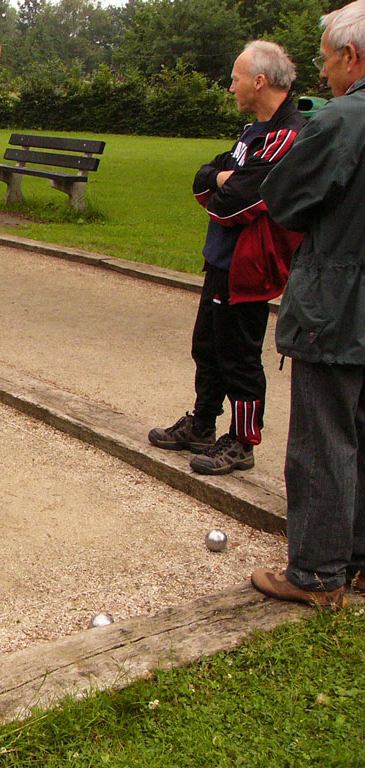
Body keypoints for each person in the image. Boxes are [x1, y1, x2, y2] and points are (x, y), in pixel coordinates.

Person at [147, 41, 305, 475]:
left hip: (248, 267)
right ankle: (201, 424)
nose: (230, 86)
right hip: (220, 259)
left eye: (235, 78)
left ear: (258, 81)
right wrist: (219, 177)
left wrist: (221, 185)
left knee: (240, 355)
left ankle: (242, 441)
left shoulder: (284, 136)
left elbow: (230, 205)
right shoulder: (253, 131)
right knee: (208, 347)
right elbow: (204, 180)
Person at [252, 0, 365, 609]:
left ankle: (318, 572)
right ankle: (360, 561)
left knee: (323, 438)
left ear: (352, 56)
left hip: (338, 302)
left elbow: (285, 199)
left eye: (326, 60)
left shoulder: (342, 120)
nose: (323, 74)